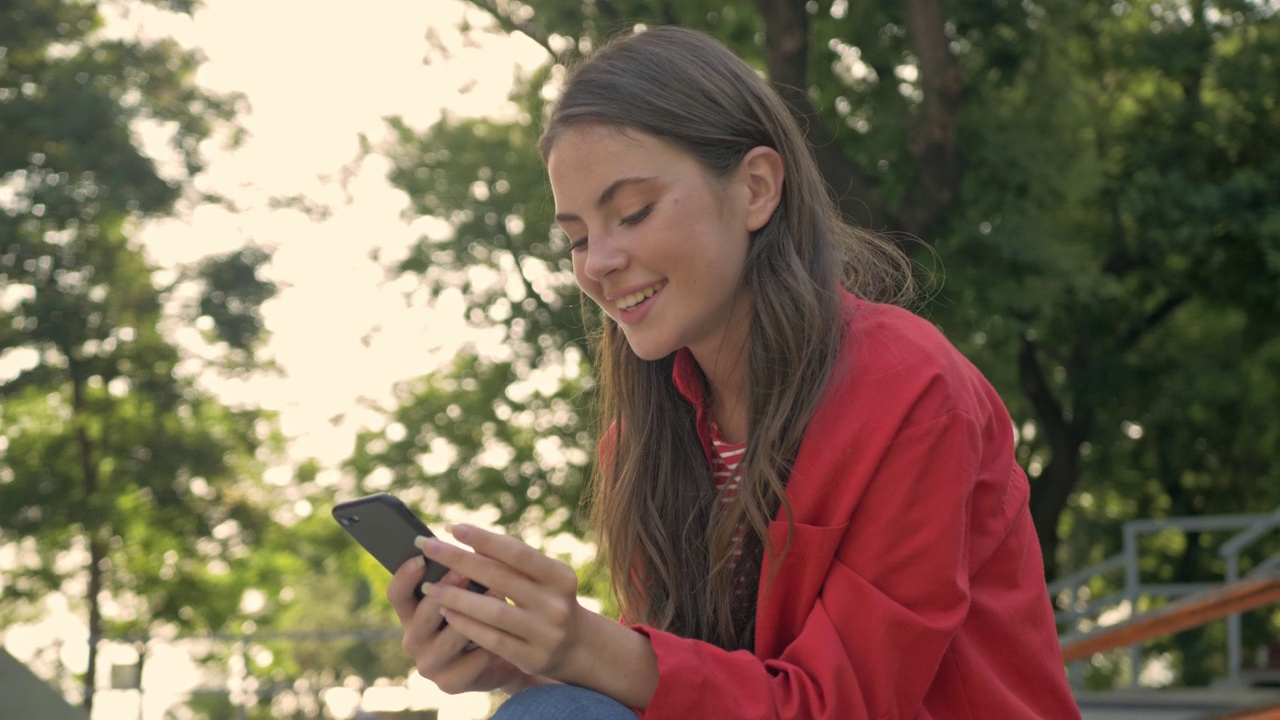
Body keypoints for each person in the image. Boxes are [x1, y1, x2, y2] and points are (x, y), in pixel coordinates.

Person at [385, 25, 1081, 719]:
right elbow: (703, 690)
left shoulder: (913, 392)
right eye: (575, 238)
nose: (597, 262)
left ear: (754, 188)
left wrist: (589, 650)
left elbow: (842, 706)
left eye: (632, 213)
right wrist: (526, 661)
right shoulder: (642, 441)